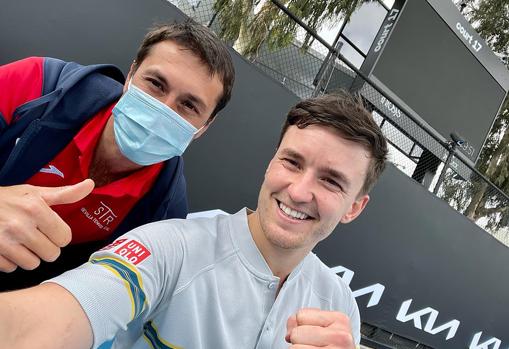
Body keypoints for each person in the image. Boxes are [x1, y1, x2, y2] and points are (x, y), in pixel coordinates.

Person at [0, 91, 388, 349]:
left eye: (331, 181)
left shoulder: (340, 304)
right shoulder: (173, 246)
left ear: (355, 206)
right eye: (292, 161)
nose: (300, 191)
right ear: (271, 162)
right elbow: (54, 317)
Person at [0, 21, 235, 287]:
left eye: (189, 105)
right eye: (156, 84)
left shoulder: (165, 212)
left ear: (204, 127)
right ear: (132, 73)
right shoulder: (39, 84)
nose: (162, 110)